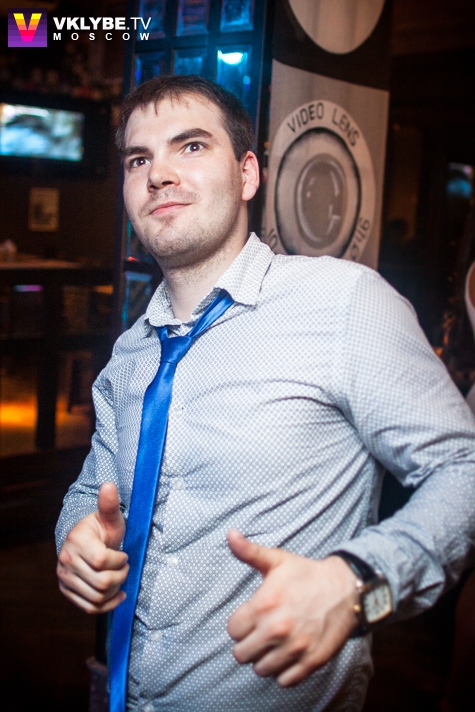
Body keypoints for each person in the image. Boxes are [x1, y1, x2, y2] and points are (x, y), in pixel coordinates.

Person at [55, 75, 475, 712]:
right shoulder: (130, 354)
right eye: (139, 159)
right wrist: (75, 539)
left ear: (248, 174)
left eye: (191, 146)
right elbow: (93, 490)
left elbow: (464, 470)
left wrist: (359, 585)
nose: (158, 174)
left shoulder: (343, 303)